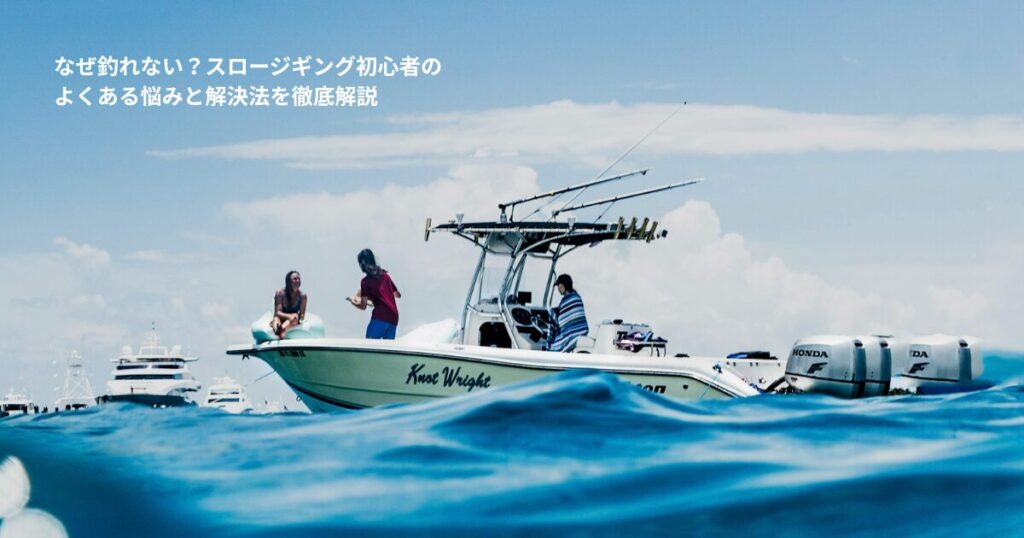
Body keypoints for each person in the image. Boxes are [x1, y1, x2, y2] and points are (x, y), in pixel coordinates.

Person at [348, 249, 401, 339]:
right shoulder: (386, 276)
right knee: (387, 347)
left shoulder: (365, 282)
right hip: (394, 318)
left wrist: (353, 302)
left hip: (380, 317)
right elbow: (398, 295)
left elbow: (363, 306)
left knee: (370, 343)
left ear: (362, 264)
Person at [547, 273, 589, 352]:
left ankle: (549, 350)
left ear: (561, 286)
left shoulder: (565, 300)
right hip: (582, 331)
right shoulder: (577, 297)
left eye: (558, 286)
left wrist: (552, 314)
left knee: (554, 346)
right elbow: (567, 314)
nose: (558, 289)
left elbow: (561, 319)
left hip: (571, 335)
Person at [271, 270, 307, 339]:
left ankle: (281, 329)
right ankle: (277, 330)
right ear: (289, 281)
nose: (297, 281)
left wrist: (296, 316)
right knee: (276, 319)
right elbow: (277, 312)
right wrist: (289, 316)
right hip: (281, 318)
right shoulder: (280, 293)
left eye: (299, 279)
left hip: (293, 320)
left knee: (295, 318)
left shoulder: (303, 296)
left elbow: (302, 315)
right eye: (295, 279)